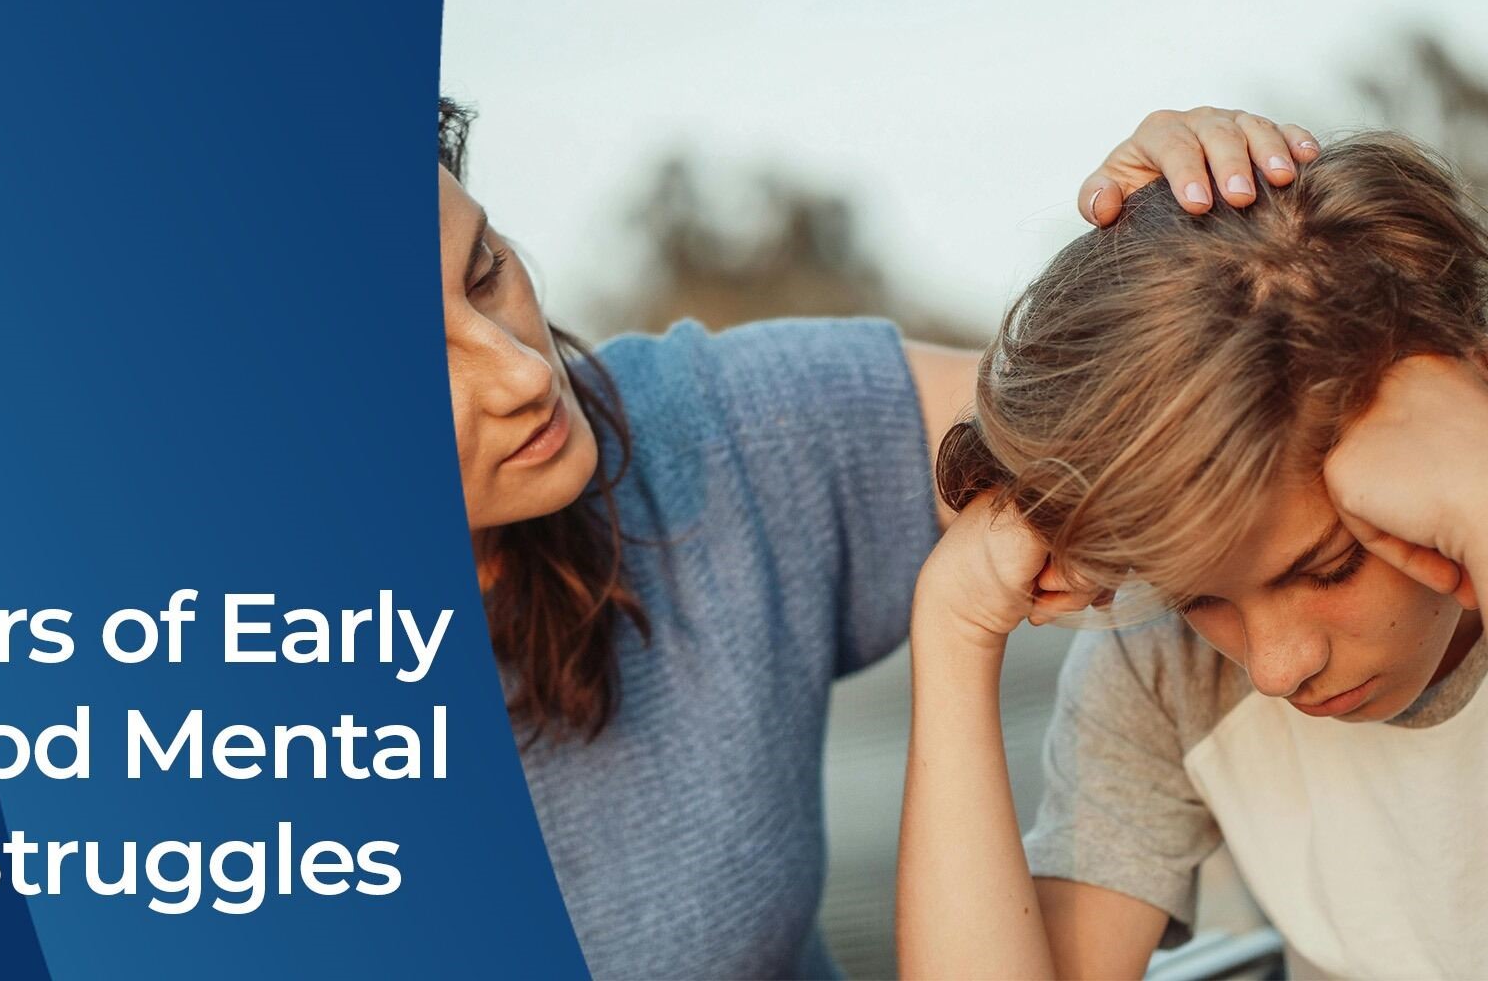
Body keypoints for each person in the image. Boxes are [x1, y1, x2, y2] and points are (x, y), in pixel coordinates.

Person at [439, 101, 1320, 977]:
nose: (522, 373)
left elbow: (1134, 414)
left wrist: (1181, 255)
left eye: (484, 273)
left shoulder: (712, 436)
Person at [896, 132, 1488, 979]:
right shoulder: (1165, 672)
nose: (1278, 668)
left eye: (1326, 567)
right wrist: (952, 629)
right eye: (1196, 598)